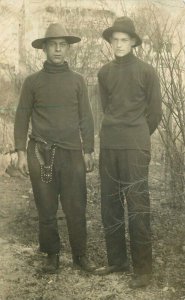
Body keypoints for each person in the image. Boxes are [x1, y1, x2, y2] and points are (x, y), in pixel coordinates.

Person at [14, 23, 95, 274]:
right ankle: (52, 255)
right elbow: (21, 117)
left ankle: (80, 256)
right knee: (46, 206)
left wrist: (89, 150)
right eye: (53, 45)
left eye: (62, 45)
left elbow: (86, 117)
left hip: (72, 154)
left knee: (76, 205)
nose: (58, 49)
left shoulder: (78, 81)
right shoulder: (32, 82)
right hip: (41, 154)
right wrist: (19, 153)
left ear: (68, 49)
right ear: (45, 48)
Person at [95, 17, 162, 288]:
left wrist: (137, 134)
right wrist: (117, 131)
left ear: (134, 41)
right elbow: (106, 107)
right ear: (110, 42)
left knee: (137, 206)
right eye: (115, 40)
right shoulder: (104, 73)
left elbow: (155, 113)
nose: (119, 44)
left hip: (135, 146)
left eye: (125, 39)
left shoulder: (147, 71)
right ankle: (117, 260)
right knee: (110, 204)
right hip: (109, 144)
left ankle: (143, 269)